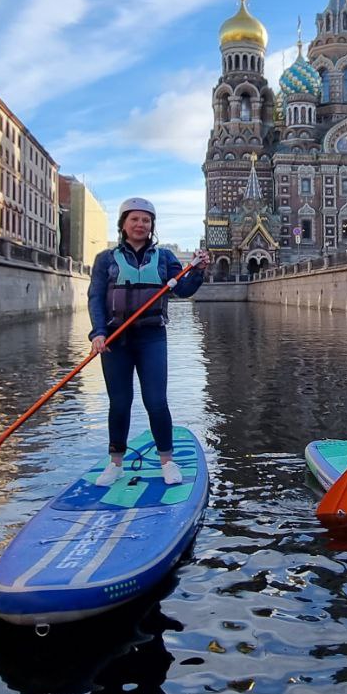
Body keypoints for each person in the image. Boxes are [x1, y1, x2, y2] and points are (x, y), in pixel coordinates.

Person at [88, 197, 209, 487]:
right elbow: (95, 298)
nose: (141, 225)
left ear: (152, 225)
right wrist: (98, 332)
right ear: (123, 224)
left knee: (156, 401)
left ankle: (167, 461)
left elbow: (184, 290)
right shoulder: (105, 259)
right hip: (116, 340)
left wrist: (200, 270)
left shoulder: (165, 258)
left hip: (151, 337)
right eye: (135, 219)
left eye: (146, 220)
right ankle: (115, 462)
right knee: (120, 403)